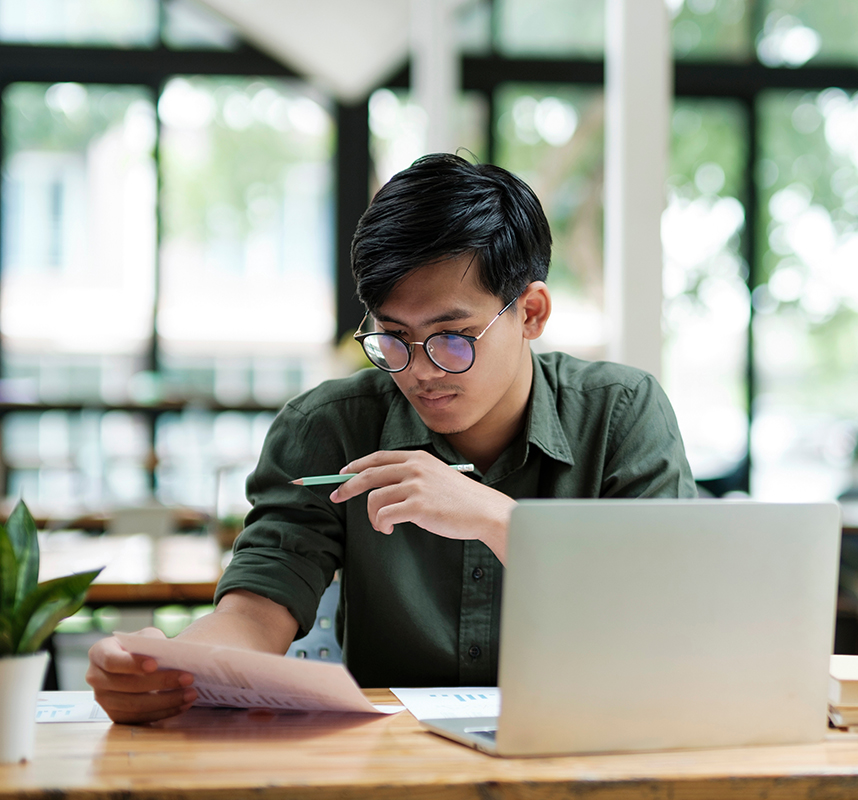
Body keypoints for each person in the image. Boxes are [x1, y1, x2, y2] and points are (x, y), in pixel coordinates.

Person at [86, 153, 697, 723]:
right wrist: (167, 668)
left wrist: (499, 521)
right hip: (393, 766)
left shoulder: (620, 413)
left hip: (594, 742)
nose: (420, 370)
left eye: (453, 336)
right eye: (394, 338)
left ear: (531, 312)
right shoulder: (329, 427)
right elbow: (255, 610)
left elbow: (666, 613)